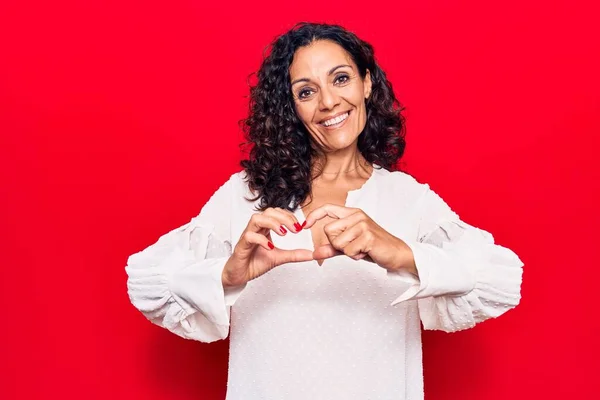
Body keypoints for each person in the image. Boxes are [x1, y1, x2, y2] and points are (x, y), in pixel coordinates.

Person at [125, 22, 524, 400]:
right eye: (306, 91)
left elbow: (497, 281)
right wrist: (226, 275)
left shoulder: (409, 199)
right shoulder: (245, 196)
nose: (329, 101)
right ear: (291, 109)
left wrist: (402, 253)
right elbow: (151, 286)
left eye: (341, 78)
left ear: (367, 83)